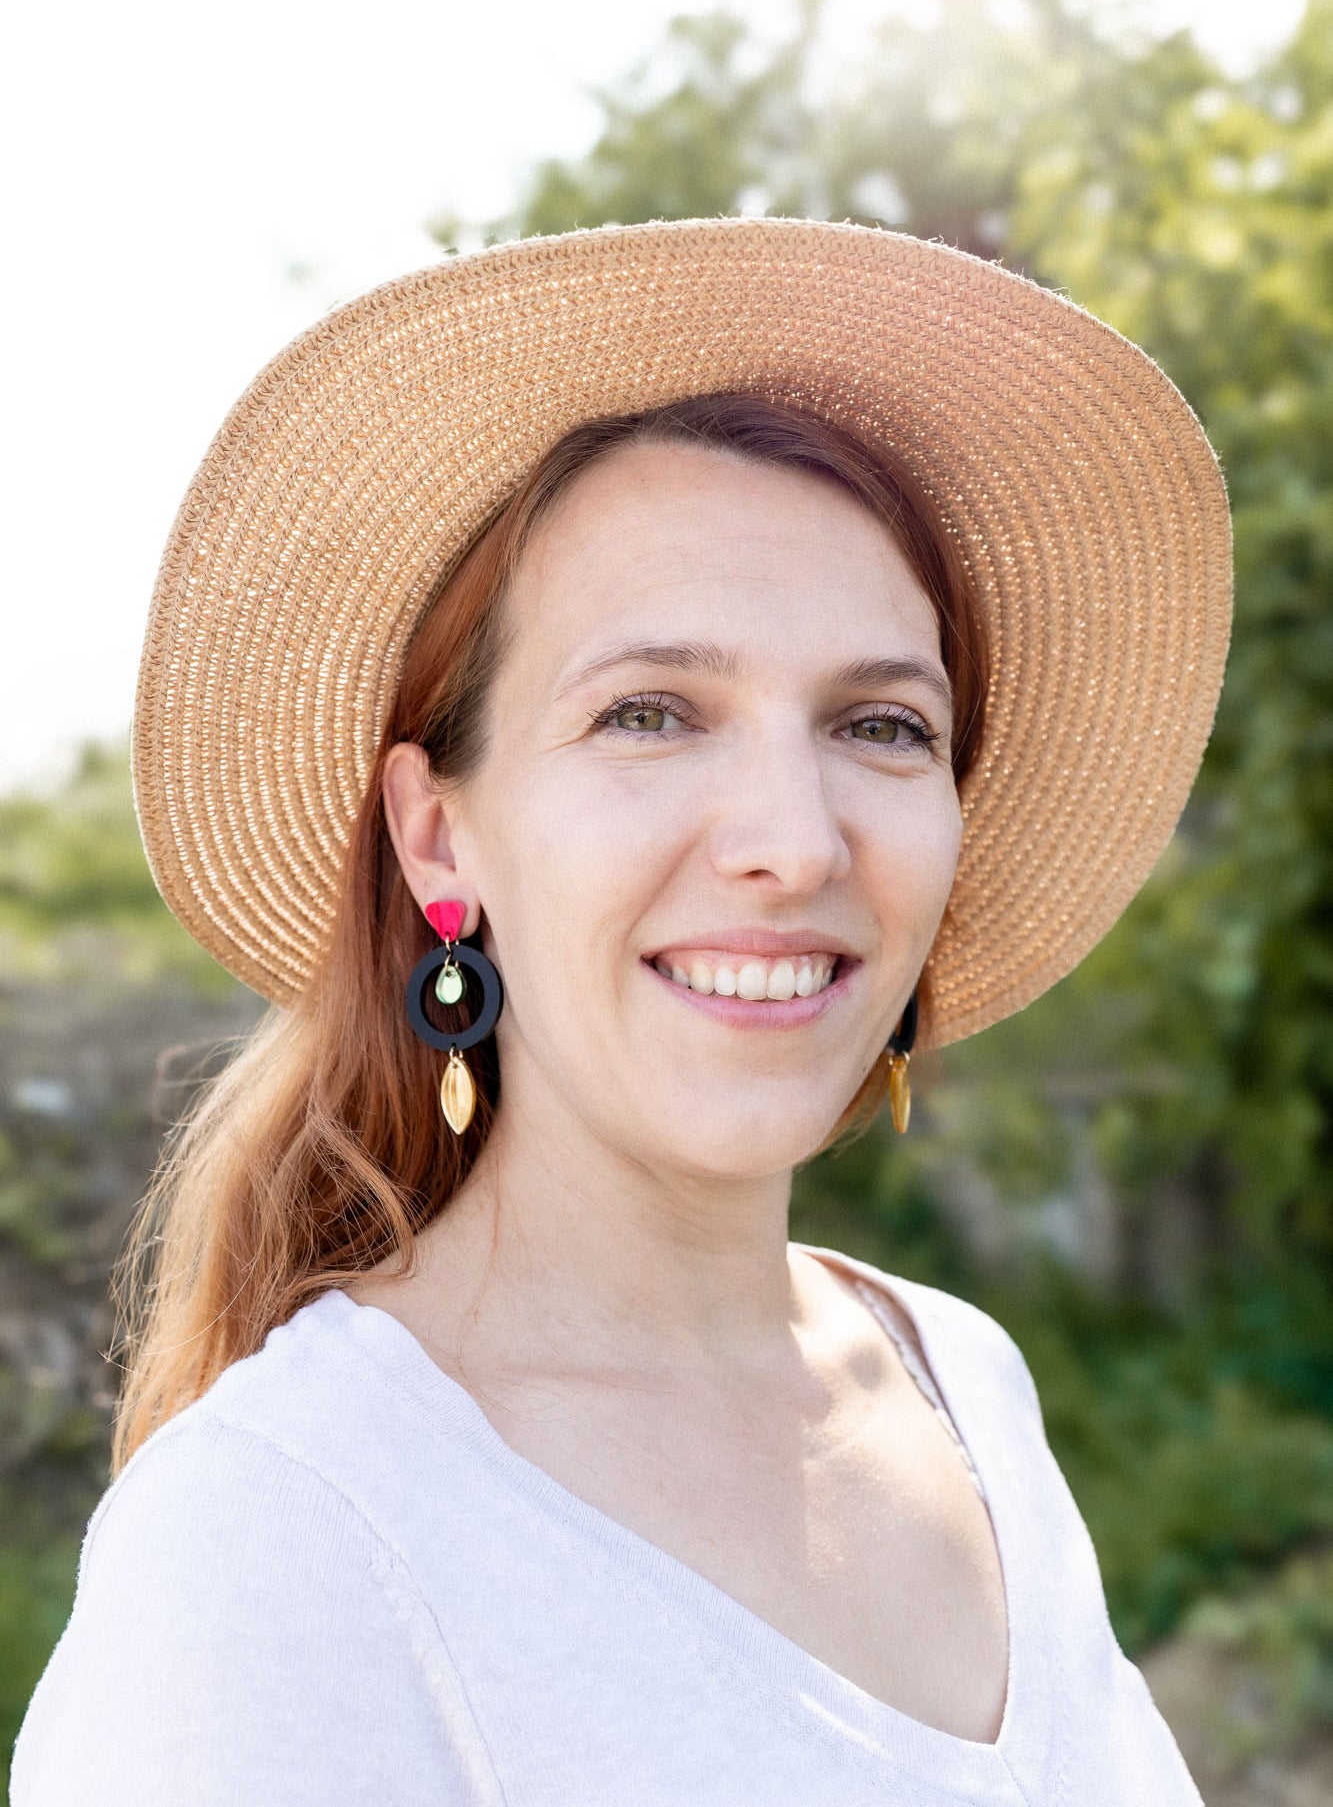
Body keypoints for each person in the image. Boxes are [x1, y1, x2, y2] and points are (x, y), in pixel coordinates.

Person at [12, 217, 1231, 1805]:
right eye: (647, 712)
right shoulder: (275, 1546)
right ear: (438, 833)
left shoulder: (959, 1378)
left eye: (879, 722)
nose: (792, 838)